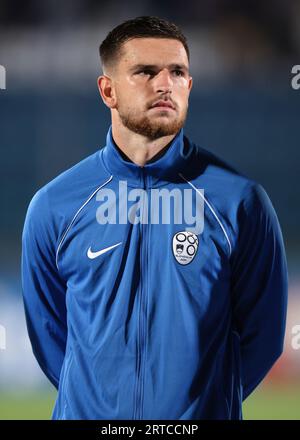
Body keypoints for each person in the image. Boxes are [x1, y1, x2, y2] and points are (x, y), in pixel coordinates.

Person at [21, 16, 288, 420]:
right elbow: (49, 335)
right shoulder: (54, 206)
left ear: (190, 87)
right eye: (146, 72)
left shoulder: (240, 202)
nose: (165, 84)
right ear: (107, 90)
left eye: (178, 72)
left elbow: (263, 338)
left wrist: (202, 409)